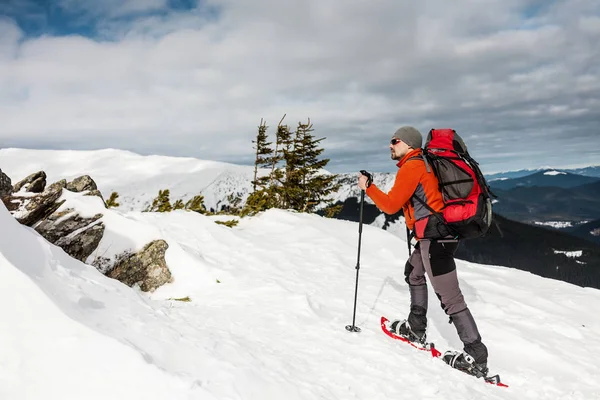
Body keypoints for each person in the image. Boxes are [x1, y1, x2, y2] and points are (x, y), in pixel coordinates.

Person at [357, 126, 489, 377]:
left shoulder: (413, 165)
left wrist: (369, 187)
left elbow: (390, 205)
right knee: (414, 273)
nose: (390, 145)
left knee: (450, 298)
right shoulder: (421, 163)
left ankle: (476, 356)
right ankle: (416, 328)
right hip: (434, 236)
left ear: (408, 144)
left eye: (394, 141)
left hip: (435, 238)